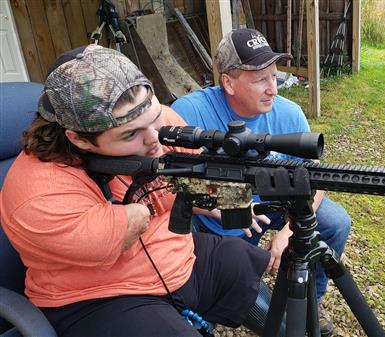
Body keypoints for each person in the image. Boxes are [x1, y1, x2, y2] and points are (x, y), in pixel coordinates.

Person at [0, 45, 270, 337]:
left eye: (154, 117)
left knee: (239, 261)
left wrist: (221, 199)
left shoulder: (157, 124)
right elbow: (133, 220)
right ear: (79, 139)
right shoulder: (38, 193)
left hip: (173, 257)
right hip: (96, 296)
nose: (156, 139)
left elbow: (188, 179)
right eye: (131, 134)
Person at [171, 28, 352, 337]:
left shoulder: (289, 114)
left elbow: (316, 179)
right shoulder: (189, 113)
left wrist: (289, 230)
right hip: (214, 224)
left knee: (335, 222)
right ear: (228, 82)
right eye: (259, 80)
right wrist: (229, 202)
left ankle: (310, 302)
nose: (273, 89)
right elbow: (168, 183)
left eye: (274, 76)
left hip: (273, 205)